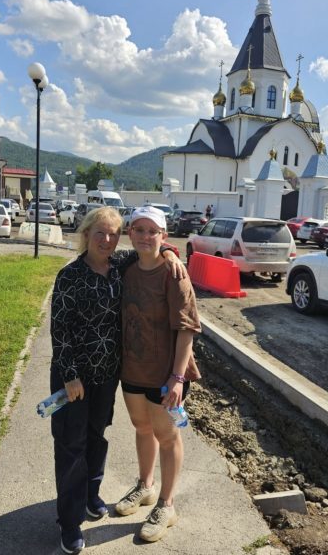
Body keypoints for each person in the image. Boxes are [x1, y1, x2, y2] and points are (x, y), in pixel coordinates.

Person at [50, 206, 183, 555]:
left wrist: (170, 250)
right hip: (74, 380)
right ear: (86, 234)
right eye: (100, 233)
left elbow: (152, 247)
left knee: (96, 437)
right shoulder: (70, 276)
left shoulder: (119, 265)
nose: (107, 239)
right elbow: (59, 331)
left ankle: (91, 495)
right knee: (70, 445)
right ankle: (69, 521)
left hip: (108, 376)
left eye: (113, 233)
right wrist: (69, 375)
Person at [115, 206, 201, 543]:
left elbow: (187, 328)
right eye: (140, 230)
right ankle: (146, 486)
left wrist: (178, 378)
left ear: (164, 235)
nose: (146, 237)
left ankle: (166, 504)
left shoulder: (174, 274)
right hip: (133, 368)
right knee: (141, 427)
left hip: (167, 376)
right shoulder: (125, 268)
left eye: (154, 231)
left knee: (167, 435)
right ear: (130, 233)